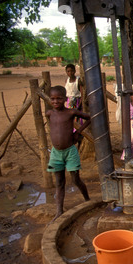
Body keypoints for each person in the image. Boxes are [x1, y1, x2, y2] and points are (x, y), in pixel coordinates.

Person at [45, 86, 91, 220]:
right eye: (53, 99)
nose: (55, 101)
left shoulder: (71, 113)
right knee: (59, 182)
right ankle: (59, 211)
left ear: (65, 99)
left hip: (70, 151)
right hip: (56, 153)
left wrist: (78, 133)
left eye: (59, 98)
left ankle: (87, 199)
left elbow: (89, 118)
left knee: (76, 179)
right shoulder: (49, 114)